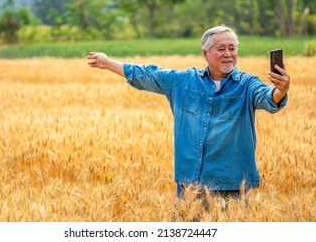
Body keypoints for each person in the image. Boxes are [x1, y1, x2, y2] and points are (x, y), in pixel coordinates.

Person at [86, 25, 290, 211]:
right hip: (191, 186)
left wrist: (280, 90)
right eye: (221, 49)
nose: (228, 54)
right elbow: (148, 74)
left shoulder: (247, 84)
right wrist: (107, 62)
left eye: (232, 48)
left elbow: (267, 97)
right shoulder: (183, 81)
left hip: (233, 187)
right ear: (205, 53)